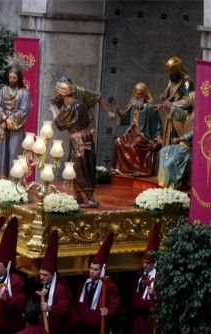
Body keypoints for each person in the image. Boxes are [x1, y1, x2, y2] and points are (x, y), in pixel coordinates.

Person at [49, 76, 116, 208]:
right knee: (78, 166)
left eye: (57, 93)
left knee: (77, 168)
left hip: (79, 142)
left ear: (62, 93)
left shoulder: (70, 107)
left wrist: (53, 109)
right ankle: (78, 195)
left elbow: (59, 123)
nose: (56, 96)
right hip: (84, 139)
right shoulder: (79, 104)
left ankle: (90, 198)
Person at [111, 82, 163, 176]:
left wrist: (158, 140)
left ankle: (138, 169)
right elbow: (125, 118)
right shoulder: (133, 104)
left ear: (144, 94)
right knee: (118, 141)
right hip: (132, 132)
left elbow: (158, 125)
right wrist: (118, 110)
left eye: (139, 93)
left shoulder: (149, 107)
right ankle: (119, 169)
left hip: (144, 135)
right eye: (135, 93)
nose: (137, 95)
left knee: (134, 145)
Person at [0, 54, 31, 179]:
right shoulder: (3, 90)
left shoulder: (24, 93)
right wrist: (4, 119)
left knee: (14, 153)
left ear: (19, 78)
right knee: (2, 153)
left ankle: (14, 181)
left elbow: (24, 110)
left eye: (14, 78)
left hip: (16, 128)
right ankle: (1, 180)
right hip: (4, 126)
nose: (11, 80)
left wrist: (11, 120)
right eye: (10, 77)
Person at [75, 233, 121, 334]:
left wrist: (108, 311)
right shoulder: (84, 284)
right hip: (84, 328)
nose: (91, 271)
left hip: (100, 327)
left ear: (102, 271)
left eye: (95, 269)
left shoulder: (109, 286)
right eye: (91, 268)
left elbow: (115, 304)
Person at [37, 231, 78, 334]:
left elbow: (64, 308)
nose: (41, 277)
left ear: (53, 274)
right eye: (40, 274)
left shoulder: (61, 289)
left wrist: (50, 308)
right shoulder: (41, 283)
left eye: (45, 275)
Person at [130, 223, 160, 334]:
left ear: (154, 263)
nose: (145, 265)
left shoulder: (159, 279)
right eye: (144, 262)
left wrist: (156, 294)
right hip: (138, 321)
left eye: (148, 263)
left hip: (150, 321)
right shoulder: (139, 276)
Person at [159, 56, 194, 147]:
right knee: (169, 142)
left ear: (178, 70)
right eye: (169, 70)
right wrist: (164, 96)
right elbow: (170, 93)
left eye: (172, 70)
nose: (170, 73)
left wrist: (172, 104)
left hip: (182, 117)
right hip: (171, 115)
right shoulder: (172, 80)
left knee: (179, 143)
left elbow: (190, 100)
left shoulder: (187, 81)